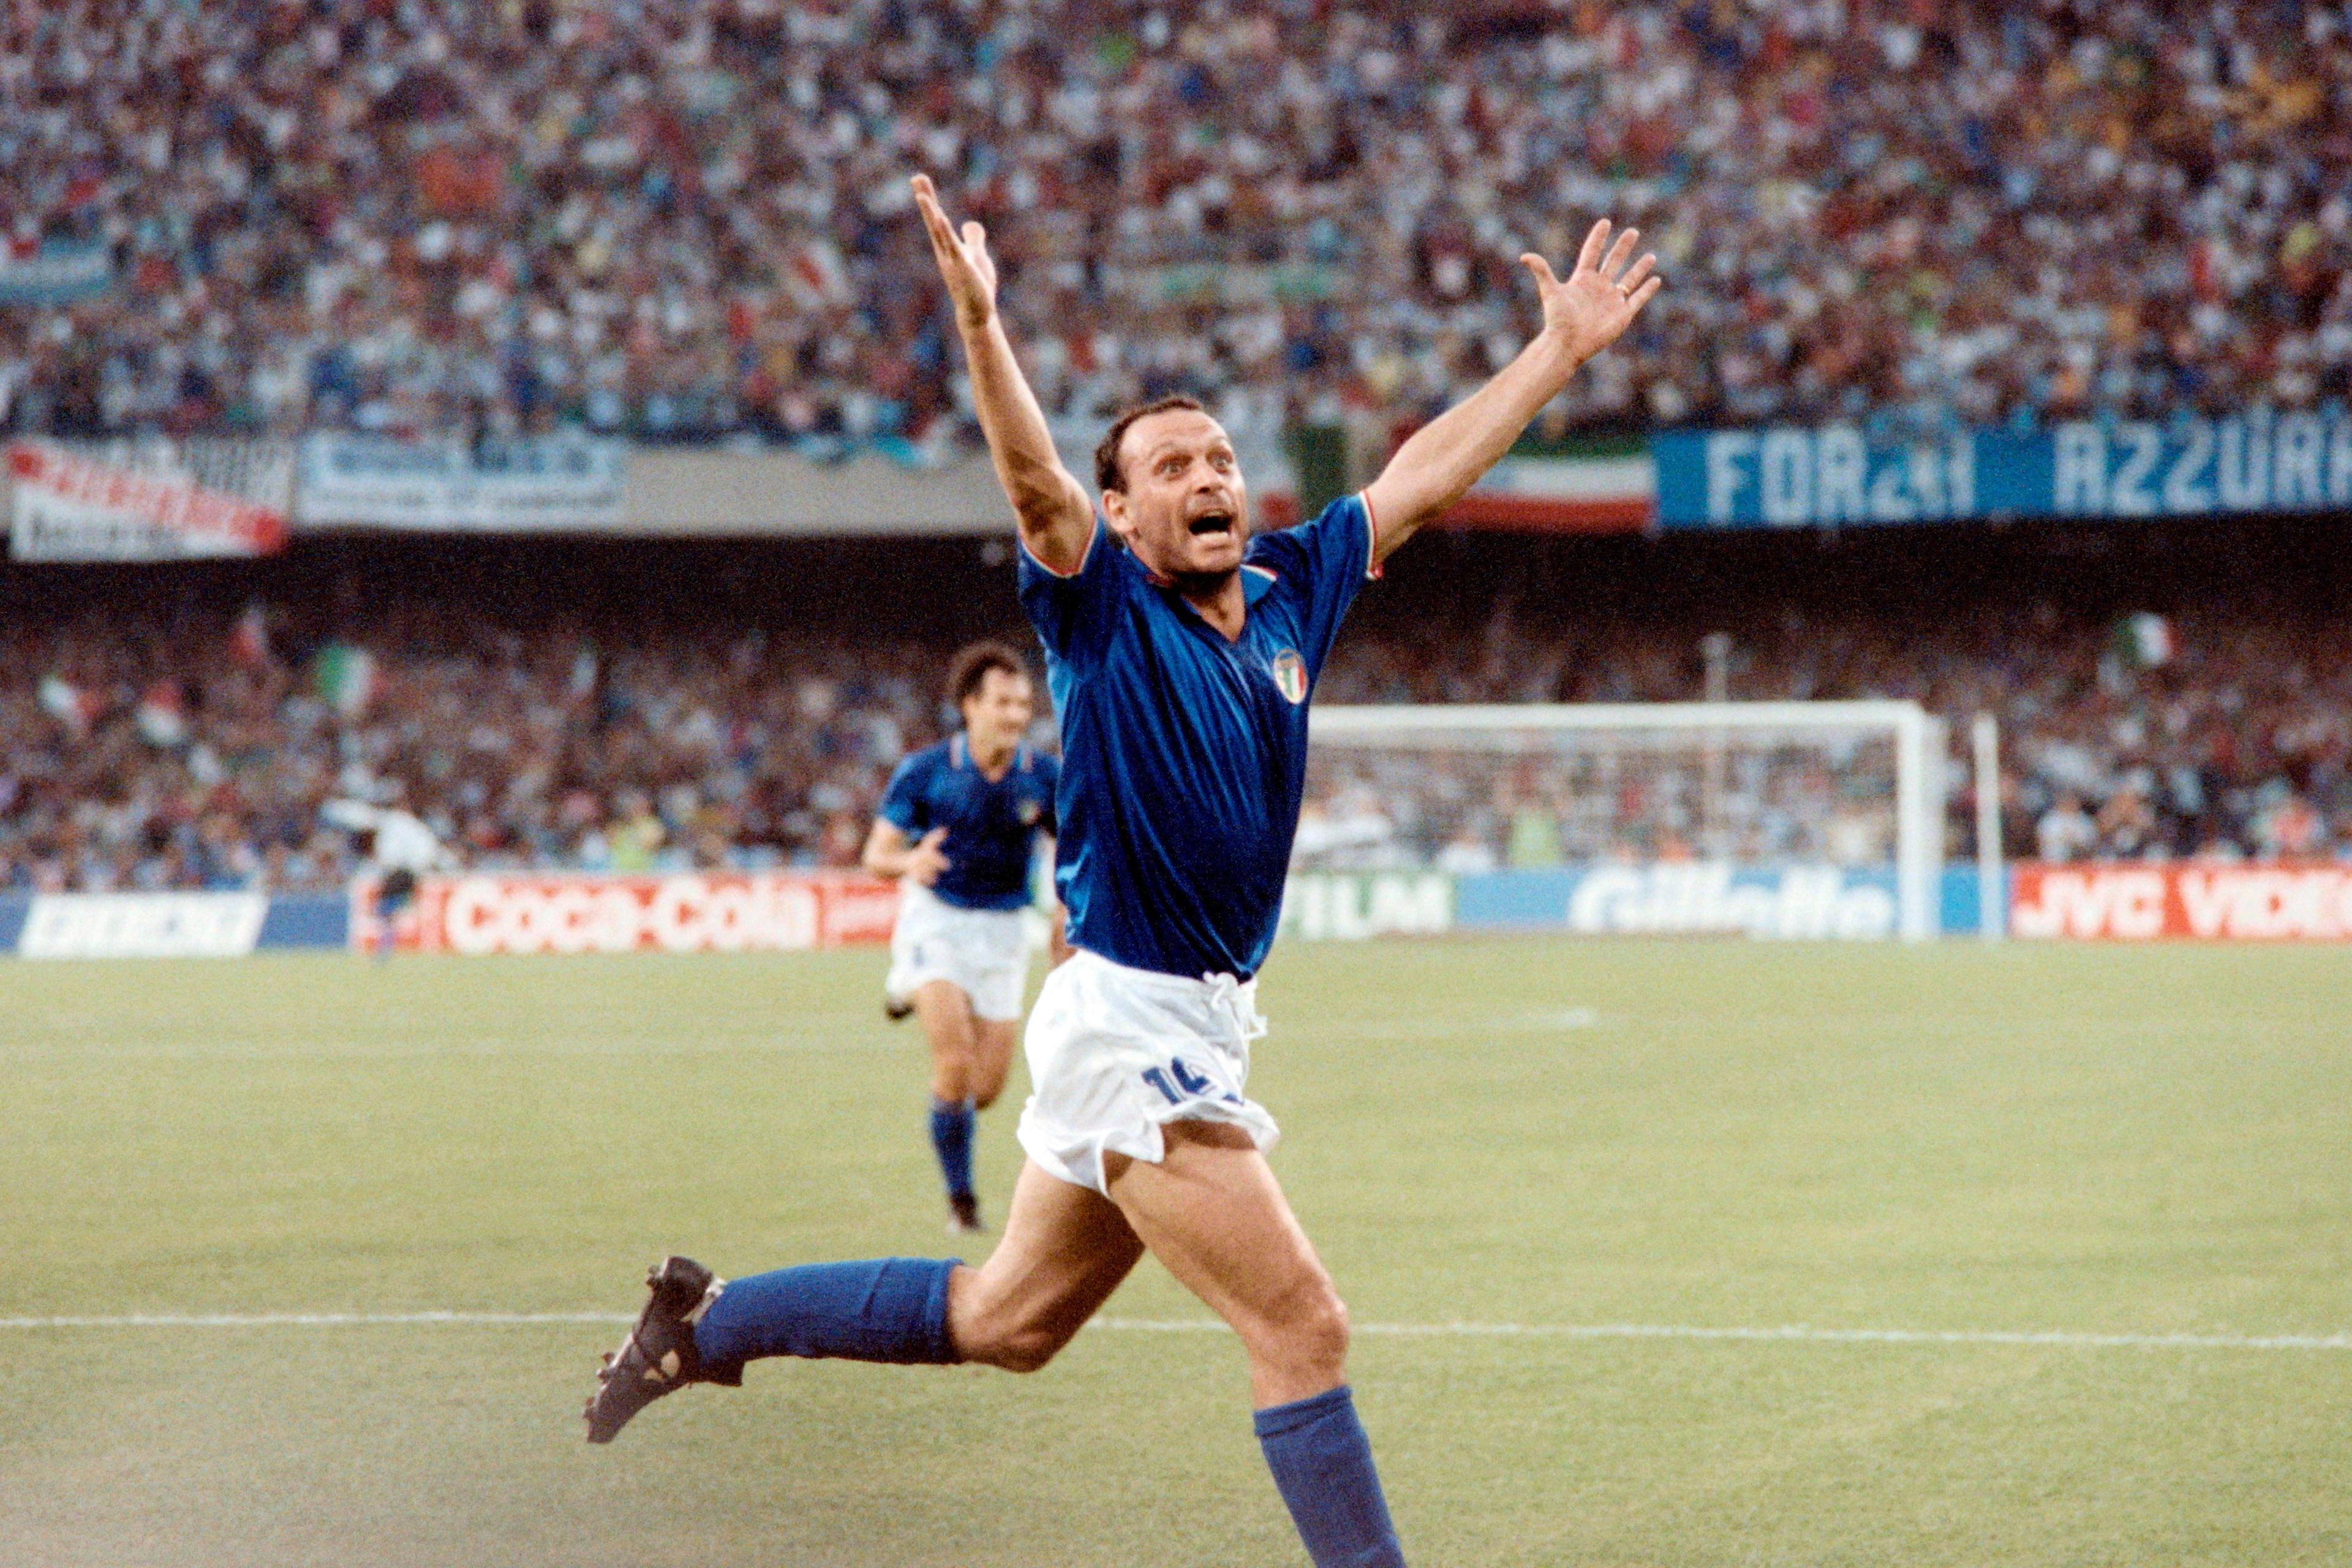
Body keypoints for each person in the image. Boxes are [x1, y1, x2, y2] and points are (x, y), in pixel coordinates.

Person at [584, 172, 1660, 1568]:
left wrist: (1556, 353)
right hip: (1128, 1023)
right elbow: (1031, 480)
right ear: (1119, 511)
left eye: (1216, 456)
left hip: (1191, 1018)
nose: (1206, 477)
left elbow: (1416, 476)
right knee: (1302, 1325)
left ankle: (704, 1320)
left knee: (1008, 1319)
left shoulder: (1288, 588)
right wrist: (983, 331)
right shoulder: (1099, 611)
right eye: (1169, 466)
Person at [862, 641, 1061, 1234]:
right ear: (970, 705)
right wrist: (908, 863)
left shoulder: (1042, 776)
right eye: (1002, 701)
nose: (1015, 714)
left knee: (985, 1089)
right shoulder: (926, 771)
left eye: (1023, 703)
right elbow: (877, 854)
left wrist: (1063, 912)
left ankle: (904, 985)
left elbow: (1075, 849)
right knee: (953, 1064)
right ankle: (962, 1203)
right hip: (937, 919)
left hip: (1002, 931)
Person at [320, 790, 458, 958]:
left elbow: (389, 858)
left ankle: (386, 944)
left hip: (407, 870)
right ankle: (395, 929)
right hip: (421, 868)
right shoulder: (408, 822)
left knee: (385, 909)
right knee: (391, 908)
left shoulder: (390, 824)